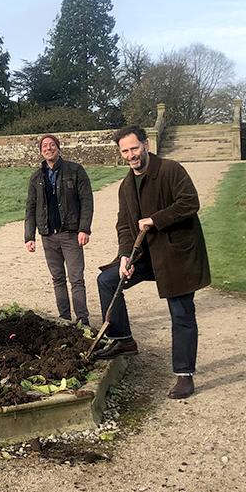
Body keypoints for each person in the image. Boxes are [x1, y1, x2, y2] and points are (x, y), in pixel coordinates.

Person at [92, 125, 210, 400]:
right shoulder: (125, 185)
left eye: (134, 148)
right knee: (108, 280)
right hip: (145, 256)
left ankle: (184, 374)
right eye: (125, 151)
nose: (131, 155)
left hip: (175, 255)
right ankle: (123, 340)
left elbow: (189, 202)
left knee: (181, 313)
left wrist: (156, 219)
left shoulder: (170, 170)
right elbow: (124, 224)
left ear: (145, 144)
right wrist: (124, 256)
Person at [24, 134, 95, 326]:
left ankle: (82, 320)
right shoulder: (36, 177)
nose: (48, 148)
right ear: (41, 151)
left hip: (71, 233)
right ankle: (64, 319)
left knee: (76, 278)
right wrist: (29, 236)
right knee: (57, 278)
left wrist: (84, 229)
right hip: (48, 235)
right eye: (44, 146)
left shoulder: (75, 170)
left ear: (58, 147)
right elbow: (30, 207)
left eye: (52, 145)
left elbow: (87, 201)